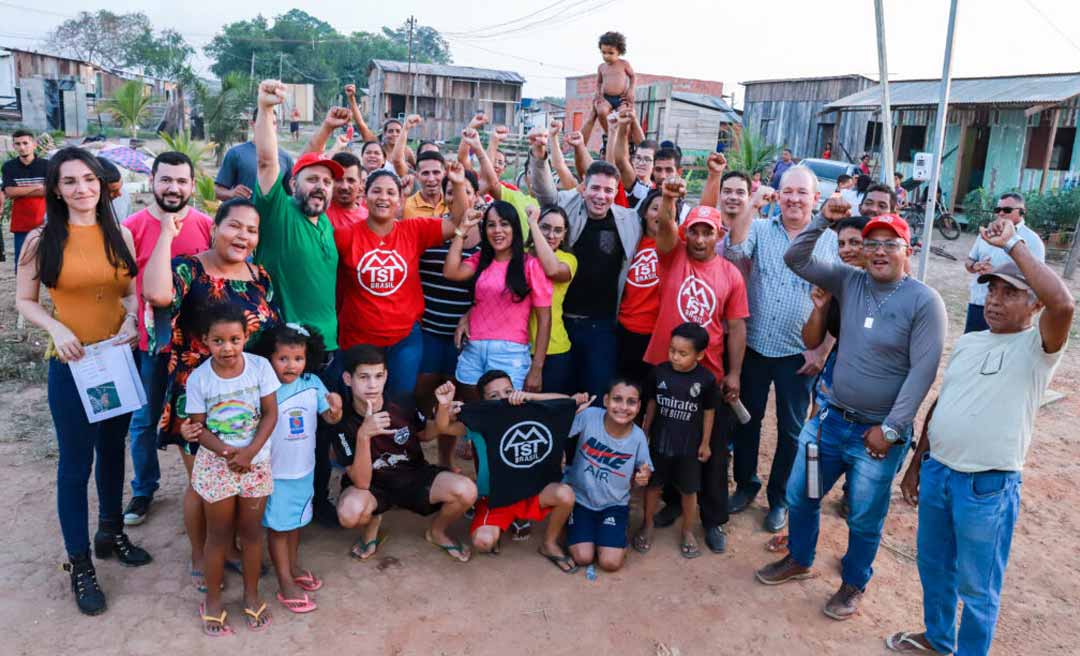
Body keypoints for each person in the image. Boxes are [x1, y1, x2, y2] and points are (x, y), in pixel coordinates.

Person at [887, 217, 1073, 656]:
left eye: (1010, 292)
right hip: (938, 476)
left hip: (986, 488)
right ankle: (937, 640)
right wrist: (917, 465)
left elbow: (1063, 305)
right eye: (991, 290)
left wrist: (1014, 246)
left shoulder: (1038, 348)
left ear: (1033, 305)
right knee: (934, 567)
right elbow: (942, 404)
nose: (994, 299)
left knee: (977, 588)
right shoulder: (973, 341)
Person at [758, 207, 946, 622]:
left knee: (864, 515)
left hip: (874, 440)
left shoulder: (925, 302)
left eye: (890, 244)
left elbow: (923, 372)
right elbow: (796, 259)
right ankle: (800, 558)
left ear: (907, 251)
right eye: (872, 243)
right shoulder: (849, 280)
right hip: (827, 422)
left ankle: (854, 582)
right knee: (801, 495)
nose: (879, 252)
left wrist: (893, 429)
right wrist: (823, 219)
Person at [16, 147, 149, 616]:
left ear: (102, 184)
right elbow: (25, 301)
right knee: (75, 466)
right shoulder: (41, 239)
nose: (82, 189)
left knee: (113, 451)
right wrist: (57, 328)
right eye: (70, 181)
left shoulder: (121, 236)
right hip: (74, 368)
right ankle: (80, 564)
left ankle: (110, 532)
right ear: (56, 188)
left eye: (89, 179)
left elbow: (130, 293)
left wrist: (133, 320)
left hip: (114, 362)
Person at [143, 198, 280, 597]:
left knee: (236, 477)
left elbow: (269, 332)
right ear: (216, 226)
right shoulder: (189, 268)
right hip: (197, 392)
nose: (243, 236)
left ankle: (231, 548)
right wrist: (166, 237)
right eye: (234, 226)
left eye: (251, 230)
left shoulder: (260, 275)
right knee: (204, 482)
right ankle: (200, 555)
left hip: (246, 393)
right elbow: (156, 295)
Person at [724, 166, 837, 533]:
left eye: (802, 193)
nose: (793, 199)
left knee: (790, 430)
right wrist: (754, 203)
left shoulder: (829, 242)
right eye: (787, 191)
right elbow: (735, 246)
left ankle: (779, 499)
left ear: (815, 199)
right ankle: (745, 485)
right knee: (746, 421)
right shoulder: (759, 228)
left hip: (798, 354)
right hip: (756, 345)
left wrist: (822, 352)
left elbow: (840, 300)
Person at [643, 182, 749, 553]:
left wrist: (734, 373)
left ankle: (714, 519)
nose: (700, 238)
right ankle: (674, 503)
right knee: (666, 442)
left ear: (719, 236)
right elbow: (665, 230)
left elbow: (736, 326)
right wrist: (670, 200)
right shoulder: (673, 257)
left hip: (709, 377)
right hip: (665, 368)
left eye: (708, 232)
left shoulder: (731, 275)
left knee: (713, 451)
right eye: (695, 231)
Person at [121, 151, 213, 527]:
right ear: (153, 182)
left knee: (202, 418)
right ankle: (143, 489)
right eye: (166, 180)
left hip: (198, 348)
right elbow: (125, 287)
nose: (173, 188)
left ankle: (209, 485)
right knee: (143, 421)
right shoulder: (131, 227)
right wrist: (128, 322)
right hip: (152, 345)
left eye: (181, 181)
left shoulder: (207, 225)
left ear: (192, 185)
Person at [330, 345, 478, 563]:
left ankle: (437, 532)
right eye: (363, 377)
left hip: (413, 476)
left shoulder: (402, 401)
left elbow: (426, 434)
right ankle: (372, 523)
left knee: (466, 491)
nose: (372, 385)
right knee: (349, 513)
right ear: (347, 379)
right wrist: (364, 436)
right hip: (373, 487)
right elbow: (361, 482)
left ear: (386, 376)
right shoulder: (342, 421)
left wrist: (443, 410)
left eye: (378, 376)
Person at [184, 303, 280, 635]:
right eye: (218, 341)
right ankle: (213, 600)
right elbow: (199, 429)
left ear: (245, 337)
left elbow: (270, 414)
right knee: (219, 535)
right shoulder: (199, 379)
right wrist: (229, 453)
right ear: (204, 341)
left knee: (252, 534)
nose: (227, 348)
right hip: (217, 465)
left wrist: (250, 453)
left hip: (255, 463)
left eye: (235, 340)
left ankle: (251, 596)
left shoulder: (261, 367)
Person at [529, 129, 642, 400]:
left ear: (616, 192)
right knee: (561, 394)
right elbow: (546, 195)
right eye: (595, 188)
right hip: (562, 322)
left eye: (608, 190)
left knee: (596, 395)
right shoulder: (569, 204)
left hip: (601, 327)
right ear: (584, 187)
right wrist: (539, 155)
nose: (600, 196)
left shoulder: (630, 220)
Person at [333, 167, 461, 402]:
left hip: (405, 339)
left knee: (400, 402)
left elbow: (458, 222)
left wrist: (459, 185)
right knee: (361, 402)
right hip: (359, 338)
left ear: (401, 200)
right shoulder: (343, 235)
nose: (383, 197)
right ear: (364, 196)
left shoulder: (414, 230)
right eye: (376, 191)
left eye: (391, 192)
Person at [432, 374, 583, 572]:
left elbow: (567, 401)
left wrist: (529, 397)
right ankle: (504, 521)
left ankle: (549, 543)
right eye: (494, 395)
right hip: (495, 498)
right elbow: (443, 427)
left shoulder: (531, 411)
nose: (503, 398)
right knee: (482, 542)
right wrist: (444, 406)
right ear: (484, 402)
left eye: (508, 391)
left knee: (566, 494)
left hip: (533, 491)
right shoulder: (480, 422)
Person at [250, 323, 342, 614]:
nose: (292, 365)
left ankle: (292, 566)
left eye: (298, 359)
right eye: (283, 358)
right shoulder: (264, 390)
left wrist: (336, 408)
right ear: (268, 358)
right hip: (275, 472)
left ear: (309, 357)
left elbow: (328, 417)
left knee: (296, 523)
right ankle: (285, 582)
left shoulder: (313, 383)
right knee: (279, 528)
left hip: (304, 470)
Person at [252, 79, 341, 366]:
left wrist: (327, 131)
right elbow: (267, 162)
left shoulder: (325, 222)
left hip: (328, 344)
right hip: (287, 350)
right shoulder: (278, 213)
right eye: (312, 180)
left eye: (327, 182)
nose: (321, 186)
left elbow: (310, 158)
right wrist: (265, 109)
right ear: (292, 184)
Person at [443, 201, 553, 392]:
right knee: (472, 413)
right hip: (473, 349)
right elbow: (451, 272)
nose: (497, 230)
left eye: (504, 224)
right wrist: (462, 229)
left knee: (504, 416)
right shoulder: (480, 260)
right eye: (491, 225)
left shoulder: (530, 265)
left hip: (510, 354)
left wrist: (537, 368)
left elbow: (545, 320)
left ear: (515, 228)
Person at [415, 165, 482, 468]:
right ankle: (411, 454)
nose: (458, 198)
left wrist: (470, 312)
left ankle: (445, 461)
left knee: (452, 402)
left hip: (463, 338)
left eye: (465, 191)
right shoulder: (431, 231)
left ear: (475, 196)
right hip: (427, 329)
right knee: (419, 397)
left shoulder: (487, 239)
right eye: (451, 192)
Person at [639, 323, 716, 558]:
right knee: (653, 486)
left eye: (683, 353)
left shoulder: (706, 379)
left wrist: (705, 443)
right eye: (672, 350)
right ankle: (647, 524)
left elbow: (709, 412)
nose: (675, 356)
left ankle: (687, 530)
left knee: (689, 490)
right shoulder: (659, 372)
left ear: (699, 355)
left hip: (689, 448)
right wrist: (645, 432)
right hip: (660, 444)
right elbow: (651, 404)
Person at [565, 378, 652, 571]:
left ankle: (613, 532)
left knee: (610, 563)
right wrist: (572, 411)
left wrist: (643, 476)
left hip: (615, 504)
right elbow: (559, 433)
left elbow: (644, 469)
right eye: (617, 399)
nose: (623, 407)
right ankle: (577, 526)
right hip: (580, 499)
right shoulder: (589, 416)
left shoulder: (638, 437)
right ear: (605, 400)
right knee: (583, 557)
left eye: (630, 402)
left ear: (638, 407)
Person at [963, 193, 1045, 334]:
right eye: (997, 209)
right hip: (978, 303)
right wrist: (974, 266)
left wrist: (995, 273)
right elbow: (969, 260)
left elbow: (1037, 277)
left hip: (1009, 309)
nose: (1001, 213)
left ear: (1022, 211)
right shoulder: (986, 234)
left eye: (1006, 210)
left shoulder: (1032, 240)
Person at [615, 189, 668, 383]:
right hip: (625, 330)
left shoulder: (675, 244)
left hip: (657, 335)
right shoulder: (631, 241)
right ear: (645, 212)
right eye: (655, 208)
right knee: (625, 386)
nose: (660, 214)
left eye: (667, 210)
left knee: (650, 393)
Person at [526, 205, 578, 394]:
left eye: (558, 230)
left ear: (565, 234)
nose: (551, 235)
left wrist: (533, 223)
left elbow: (552, 269)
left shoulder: (568, 259)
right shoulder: (520, 254)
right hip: (517, 348)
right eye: (545, 227)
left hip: (554, 351)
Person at [215, 107, 295, 201]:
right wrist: (231, 193)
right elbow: (217, 191)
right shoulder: (236, 154)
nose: (269, 127)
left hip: (274, 215)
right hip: (243, 214)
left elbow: (292, 196)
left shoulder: (285, 158)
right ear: (253, 124)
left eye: (273, 123)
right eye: (265, 123)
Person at [2, 129, 47, 271]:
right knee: (22, 264)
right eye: (17, 144)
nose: (22, 147)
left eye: (25, 143)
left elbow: (50, 190)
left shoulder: (47, 165)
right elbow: (9, 192)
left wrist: (21, 191)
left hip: (47, 222)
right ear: (14, 146)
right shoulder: (9, 167)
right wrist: (37, 188)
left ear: (34, 144)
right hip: (22, 223)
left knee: (50, 264)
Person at [582, 31, 635, 146]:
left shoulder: (624, 64)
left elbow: (632, 76)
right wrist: (598, 93)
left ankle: (626, 140)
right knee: (601, 111)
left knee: (625, 117)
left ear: (619, 51)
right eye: (603, 53)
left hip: (621, 98)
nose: (606, 56)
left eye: (610, 53)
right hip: (606, 98)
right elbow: (599, 82)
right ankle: (610, 133)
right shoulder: (601, 67)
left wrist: (631, 90)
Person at [403, 140, 449, 220]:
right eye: (425, 173)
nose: (431, 179)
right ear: (417, 176)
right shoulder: (406, 207)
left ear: (444, 173)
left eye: (436, 172)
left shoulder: (452, 204)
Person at [325, 152, 369, 230]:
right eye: (338, 180)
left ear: (361, 184)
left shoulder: (369, 220)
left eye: (351, 180)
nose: (344, 187)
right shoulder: (318, 213)